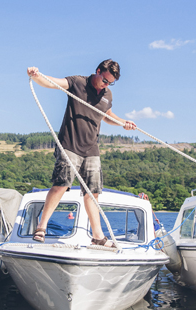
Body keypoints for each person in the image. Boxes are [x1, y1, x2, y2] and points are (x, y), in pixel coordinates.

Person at [26, 59, 137, 247]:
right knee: (61, 185)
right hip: (70, 144)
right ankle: (41, 227)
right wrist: (36, 76)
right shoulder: (78, 82)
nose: (106, 85)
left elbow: (107, 116)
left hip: (91, 148)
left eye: (110, 83)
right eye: (105, 80)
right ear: (98, 71)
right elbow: (52, 82)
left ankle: (97, 237)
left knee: (93, 193)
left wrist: (123, 122)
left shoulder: (107, 94)